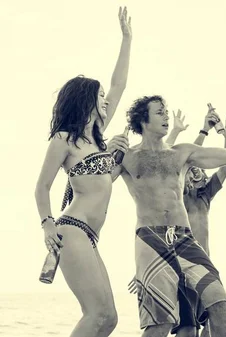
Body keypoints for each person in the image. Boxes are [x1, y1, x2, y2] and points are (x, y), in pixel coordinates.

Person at [114, 96, 226, 337]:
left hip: (185, 238)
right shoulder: (128, 156)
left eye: (167, 112)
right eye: (160, 113)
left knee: (219, 303)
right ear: (143, 119)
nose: (166, 116)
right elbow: (95, 184)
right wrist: (109, 151)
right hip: (150, 239)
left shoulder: (181, 153)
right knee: (160, 324)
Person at [34, 7, 131, 337]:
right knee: (95, 314)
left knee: (110, 319)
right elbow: (42, 187)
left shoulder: (98, 135)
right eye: (100, 96)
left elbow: (119, 84)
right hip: (72, 230)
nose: (106, 100)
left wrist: (127, 39)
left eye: (105, 97)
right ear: (86, 99)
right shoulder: (65, 139)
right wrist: (47, 226)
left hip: (91, 236)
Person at [165, 107, 226, 255]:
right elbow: (185, 158)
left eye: (200, 170)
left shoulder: (206, 195)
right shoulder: (179, 194)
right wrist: (204, 131)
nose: (196, 170)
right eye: (192, 169)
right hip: (178, 252)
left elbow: (225, 168)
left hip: (202, 254)